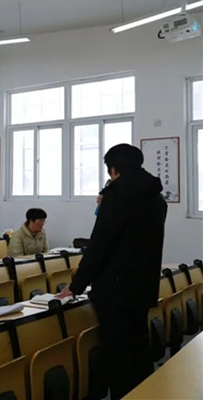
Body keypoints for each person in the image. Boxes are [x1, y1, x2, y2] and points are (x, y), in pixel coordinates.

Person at [57, 144, 167, 400]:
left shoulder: (118, 196)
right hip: (143, 285)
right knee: (139, 348)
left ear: (114, 169)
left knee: (118, 356)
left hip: (115, 290)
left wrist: (76, 285)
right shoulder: (156, 197)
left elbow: (100, 245)